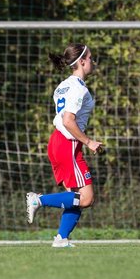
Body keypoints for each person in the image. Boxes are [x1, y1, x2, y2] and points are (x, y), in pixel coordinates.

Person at [25, 43, 102, 248]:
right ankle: (38, 200)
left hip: (59, 142)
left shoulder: (63, 85)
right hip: (67, 143)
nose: (93, 62)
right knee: (86, 198)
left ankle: (62, 239)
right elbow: (68, 120)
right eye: (91, 58)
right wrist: (89, 141)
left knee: (75, 197)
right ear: (82, 62)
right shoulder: (78, 88)